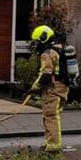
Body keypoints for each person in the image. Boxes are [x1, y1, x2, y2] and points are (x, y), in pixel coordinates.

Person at [29, 24, 69, 153]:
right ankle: (50, 142)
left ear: (43, 38)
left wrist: (33, 88)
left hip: (52, 89)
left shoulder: (46, 53)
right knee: (52, 116)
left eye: (37, 41)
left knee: (50, 116)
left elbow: (45, 73)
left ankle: (53, 146)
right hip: (62, 87)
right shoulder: (59, 49)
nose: (35, 45)